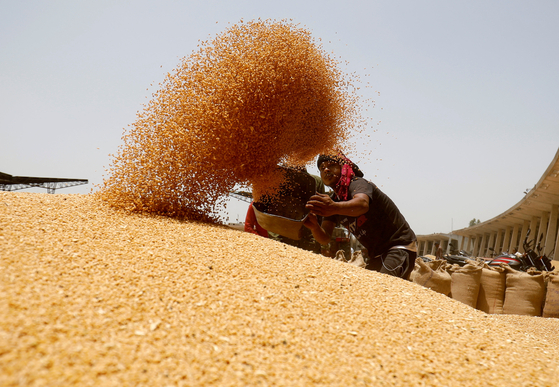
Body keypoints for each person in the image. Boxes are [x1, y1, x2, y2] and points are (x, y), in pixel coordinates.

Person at [303, 152, 417, 280]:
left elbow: (362, 204)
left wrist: (333, 207)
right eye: (322, 168)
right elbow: (325, 238)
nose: (326, 169)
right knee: (364, 291)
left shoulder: (357, 184)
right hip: (376, 255)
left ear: (344, 167)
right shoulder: (335, 200)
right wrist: (314, 227)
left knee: (382, 288)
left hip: (398, 246)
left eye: (331, 165)